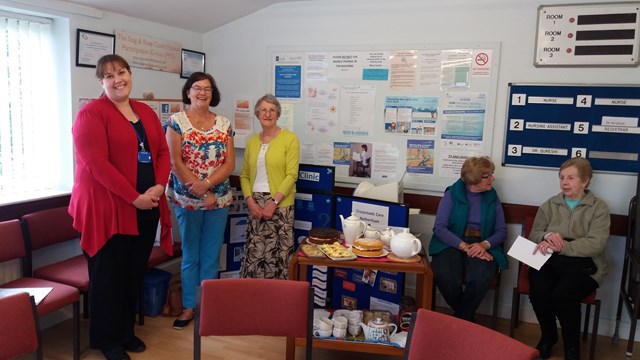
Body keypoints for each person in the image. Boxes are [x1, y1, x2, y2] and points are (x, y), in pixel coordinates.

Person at [69, 54, 172, 360]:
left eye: (122, 72)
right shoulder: (90, 114)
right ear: (101, 81)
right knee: (107, 278)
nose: (118, 79)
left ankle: (126, 333)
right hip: (107, 210)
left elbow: (162, 152)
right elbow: (97, 165)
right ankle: (106, 340)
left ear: (130, 74)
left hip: (145, 206)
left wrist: (158, 186)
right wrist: (133, 196)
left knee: (132, 272)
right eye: (109, 75)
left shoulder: (144, 112)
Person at [165, 72, 235, 330]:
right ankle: (188, 308)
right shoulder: (176, 122)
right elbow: (175, 163)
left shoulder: (224, 123)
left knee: (211, 256)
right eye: (197, 88)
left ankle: (207, 307)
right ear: (188, 92)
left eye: (207, 88)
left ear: (212, 93)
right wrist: (202, 192)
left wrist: (208, 186)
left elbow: (229, 163)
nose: (202, 92)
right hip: (188, 200)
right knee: (191, 255)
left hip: (219, 198)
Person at [528, 157, 609, 360]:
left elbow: (595, 244)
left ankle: (572, 348)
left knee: (563, 295)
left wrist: (563, 246)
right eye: (562, 177)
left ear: (585, 181)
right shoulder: (550, 204)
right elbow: (535, 234)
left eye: (571, 178)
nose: (564, 182)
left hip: (585, 264)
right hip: (551, 261)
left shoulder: (598, 208)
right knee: (538, 289)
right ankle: (548, 337)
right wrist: (546, 237)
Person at [429, 156, 507, 322]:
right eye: (488, 176)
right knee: (446, 275)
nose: (492, 179)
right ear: (475, 179)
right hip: (451, 242)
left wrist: (484, 245)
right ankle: (467, 320)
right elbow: (440, 228)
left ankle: (460, 320)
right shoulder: (452, 194)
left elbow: (501, 231)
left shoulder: (492, 197)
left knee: (482, 276)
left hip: (482, 243)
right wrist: (464, 246)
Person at [239, 94, 299, 279]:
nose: (268, 113)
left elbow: (291, 175)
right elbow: (244, 175)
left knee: (280, 256)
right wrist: (250, 201)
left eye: (272, 110)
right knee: (255, 255)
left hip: (280, 205)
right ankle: (255, 301)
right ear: (257, 114)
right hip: (256, 205)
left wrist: (273, 203)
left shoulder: (290, 139)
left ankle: (280, 303)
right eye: (264, 110)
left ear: (278, 114)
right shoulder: (252, 141)